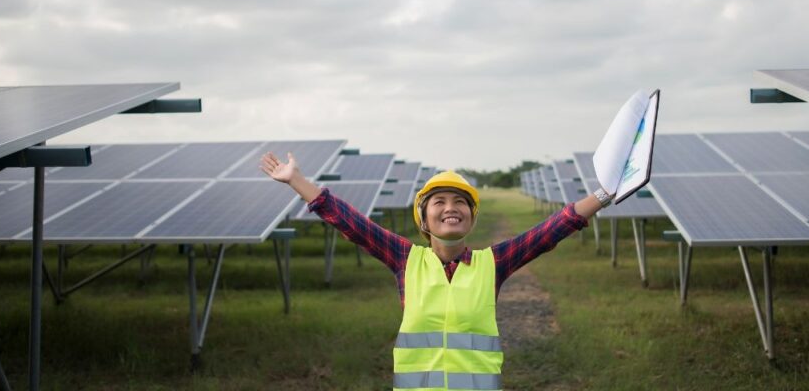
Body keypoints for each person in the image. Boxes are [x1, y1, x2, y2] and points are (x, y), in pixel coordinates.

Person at [260, 152, 617, 391]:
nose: (451, 208)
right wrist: (297, 181)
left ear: (472, 218)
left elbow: (551, 229)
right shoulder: (405, 259)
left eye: (460, 202)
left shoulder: (492, 263)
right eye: (440, 202)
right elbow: (351, 222)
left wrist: (604, 195)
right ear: (424, 218)